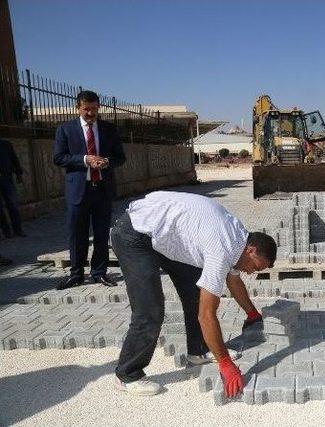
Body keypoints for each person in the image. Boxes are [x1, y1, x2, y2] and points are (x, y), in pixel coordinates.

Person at [110, 191, 276, 397]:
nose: (252, 272)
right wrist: (225, 363)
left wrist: (252, 313)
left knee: (195, 291)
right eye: (256, 267)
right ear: (251, 250)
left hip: (161, 234)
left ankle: (198, 351)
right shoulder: (222, 249)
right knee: (150, 308)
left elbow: (233, 280)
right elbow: (206, 315)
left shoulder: (239, 239)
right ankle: (127, 374)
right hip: (134, 233)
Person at [53, 90, 126, 290]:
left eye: (94, 109)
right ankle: (76, 274)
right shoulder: (66, 129)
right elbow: (59, 158)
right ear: (78, 108)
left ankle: (99, 273)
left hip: (102, 189)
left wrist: (106, 162)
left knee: (102, 233)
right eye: (86, 109)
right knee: (77, 234)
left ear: (98, 107)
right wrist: (85, 159)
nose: (91, 113)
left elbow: (120, 157)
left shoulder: (109, 129)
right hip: (78, 190)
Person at [0, 138, 26, 238]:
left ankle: (18, 230)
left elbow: (14, 159)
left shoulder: (5, 144)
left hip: (7, 178)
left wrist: (18, 173)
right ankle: (6, 231)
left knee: (13, 205)